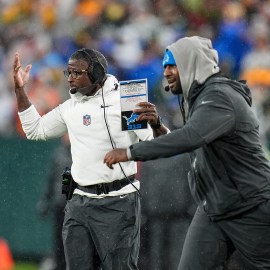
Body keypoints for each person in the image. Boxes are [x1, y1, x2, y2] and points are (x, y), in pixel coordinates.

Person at [104, 36, 270, 270]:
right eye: (164, 67)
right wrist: (159, 127)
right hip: (214, 208)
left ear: (191, 64)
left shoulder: (219, 96)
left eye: (172, 66)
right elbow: (191, 140)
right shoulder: (203, 97)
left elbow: (189, 138)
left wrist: (131, 152)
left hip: (250, 207)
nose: (167, 72)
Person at [13, 48, 169, 270]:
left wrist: (156, 124)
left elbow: (161, 146)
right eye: (68, 72)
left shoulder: (127, 100)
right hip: (79, 203)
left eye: (77, 72)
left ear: (96, 73)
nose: (70, 78)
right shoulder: (71, 107)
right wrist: (20, 90)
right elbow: (34, 129)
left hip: (119, 201)